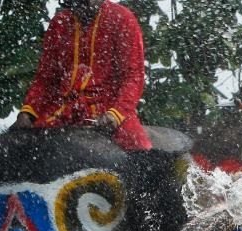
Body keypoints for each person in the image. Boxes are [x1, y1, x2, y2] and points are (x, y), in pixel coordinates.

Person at [14, 0, 152, 151]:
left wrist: (114, 115)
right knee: (22, 147)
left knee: (137, 146)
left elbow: (134, 76)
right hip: (61, 110)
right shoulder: (59, 23)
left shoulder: (122, 19)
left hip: (108, 108)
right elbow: (45, 78)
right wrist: (28, 111)